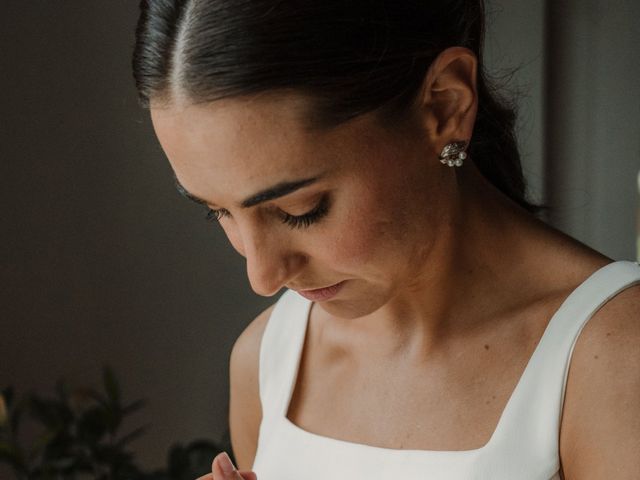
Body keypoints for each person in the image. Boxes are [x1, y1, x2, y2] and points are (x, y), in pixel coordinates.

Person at [132, 1, 640, 478]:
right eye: (218, 211)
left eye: (301, 210)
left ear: (444, 104)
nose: (262, 278)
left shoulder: (613, 359)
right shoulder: (265, 359)